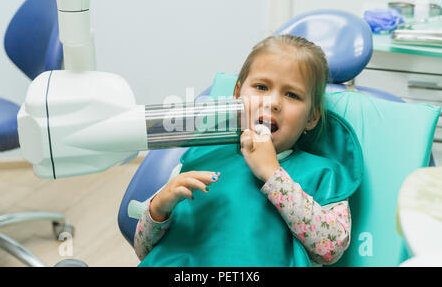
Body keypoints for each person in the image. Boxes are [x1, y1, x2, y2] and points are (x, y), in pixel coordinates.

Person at [134, 35, 354, 267]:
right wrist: (159, 208)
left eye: (292, 95)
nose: (273, 102)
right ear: (237, 94)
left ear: (311, 116)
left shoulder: (322, 174)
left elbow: (329, 250)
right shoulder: (203, 156)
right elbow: (144, 250)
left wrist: (273, 175)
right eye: (261, 87)